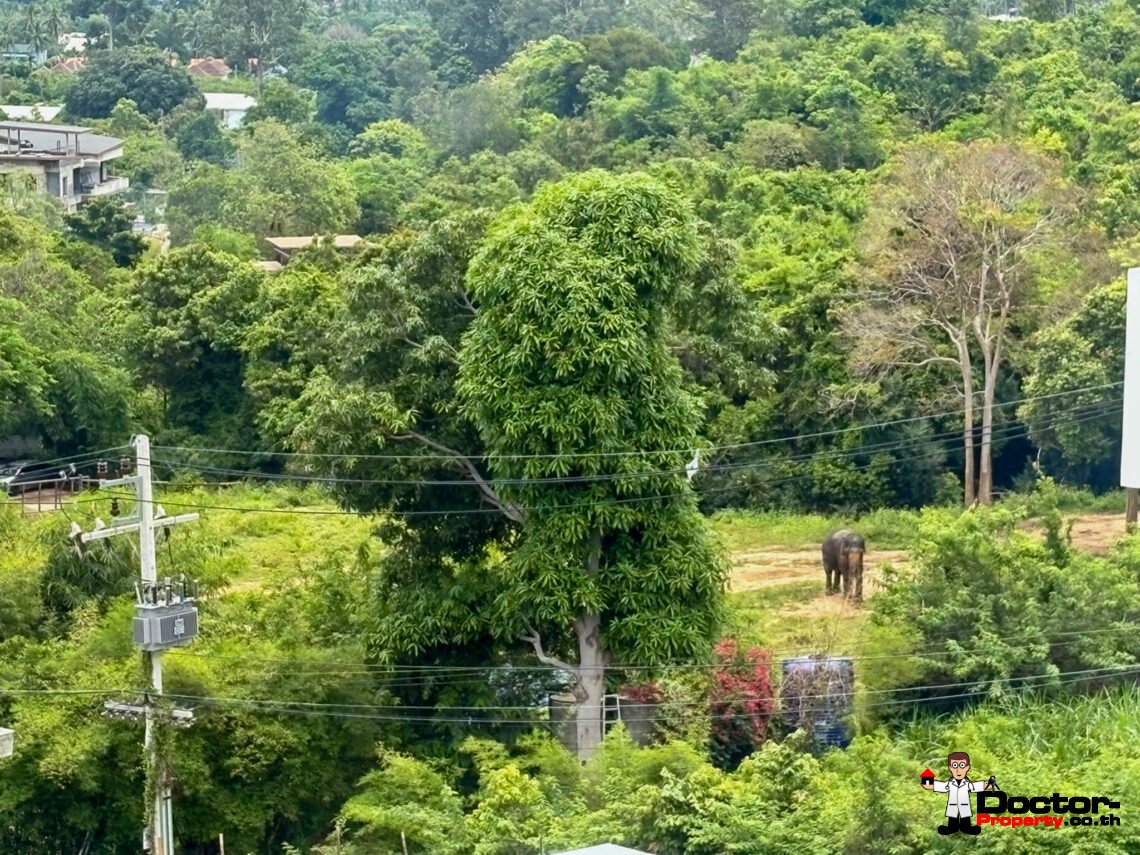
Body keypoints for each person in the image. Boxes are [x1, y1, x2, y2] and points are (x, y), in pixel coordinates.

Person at [921, 751, 994, 835]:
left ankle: (966, 828)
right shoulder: (950, 783)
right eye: (955, 766)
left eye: (962, 766)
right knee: (952, 819)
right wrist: (928, 784)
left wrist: (989, 784)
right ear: (950, 768)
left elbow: (975, 786)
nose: (958, 770)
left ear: (967, 767)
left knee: (965, 819)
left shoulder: (967, 784)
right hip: (953, 805)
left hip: (964, 805)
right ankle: (952, 828)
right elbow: (941, 786)